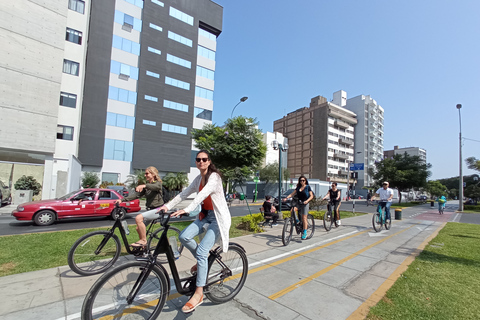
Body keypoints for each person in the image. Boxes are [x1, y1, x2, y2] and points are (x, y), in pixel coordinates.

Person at [158, 150, 231, 313]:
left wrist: (187, 210)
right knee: (183, 236)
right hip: (205, 216)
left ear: (209, 161)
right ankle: (201, 262)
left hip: (218, 219)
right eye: (198, 159)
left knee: (202, 251)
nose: (201, 162)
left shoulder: (214, 178)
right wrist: (166, 206)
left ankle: (199, 293)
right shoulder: (198, 179)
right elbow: (184, 194)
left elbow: (202, 195)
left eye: (204, 159)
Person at [115, 166, 164, 247]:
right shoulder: (148, 186)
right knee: (139, 228)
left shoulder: (157, 184)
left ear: (153, 174)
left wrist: (144, 186)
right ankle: (144, 249)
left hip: (158, 209)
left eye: (147, 173)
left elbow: (156, 187)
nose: (145, 175)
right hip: (150, 210)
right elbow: (136, 195)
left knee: (138, 218)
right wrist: (122, 200)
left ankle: (143, 241)